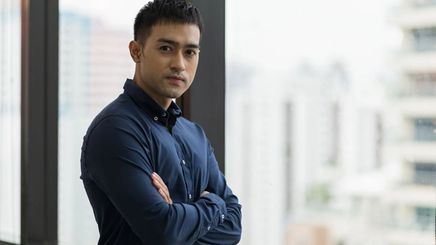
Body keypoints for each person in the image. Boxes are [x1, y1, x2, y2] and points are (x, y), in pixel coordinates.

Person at [80, 0, 242, 244]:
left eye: (190, 52)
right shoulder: (115, 130)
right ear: (136, 51)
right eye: (166, 48)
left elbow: (233, 227)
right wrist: (214, 203)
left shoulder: (194, 134)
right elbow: (164, 232)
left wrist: (178, 216)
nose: (179, 64)